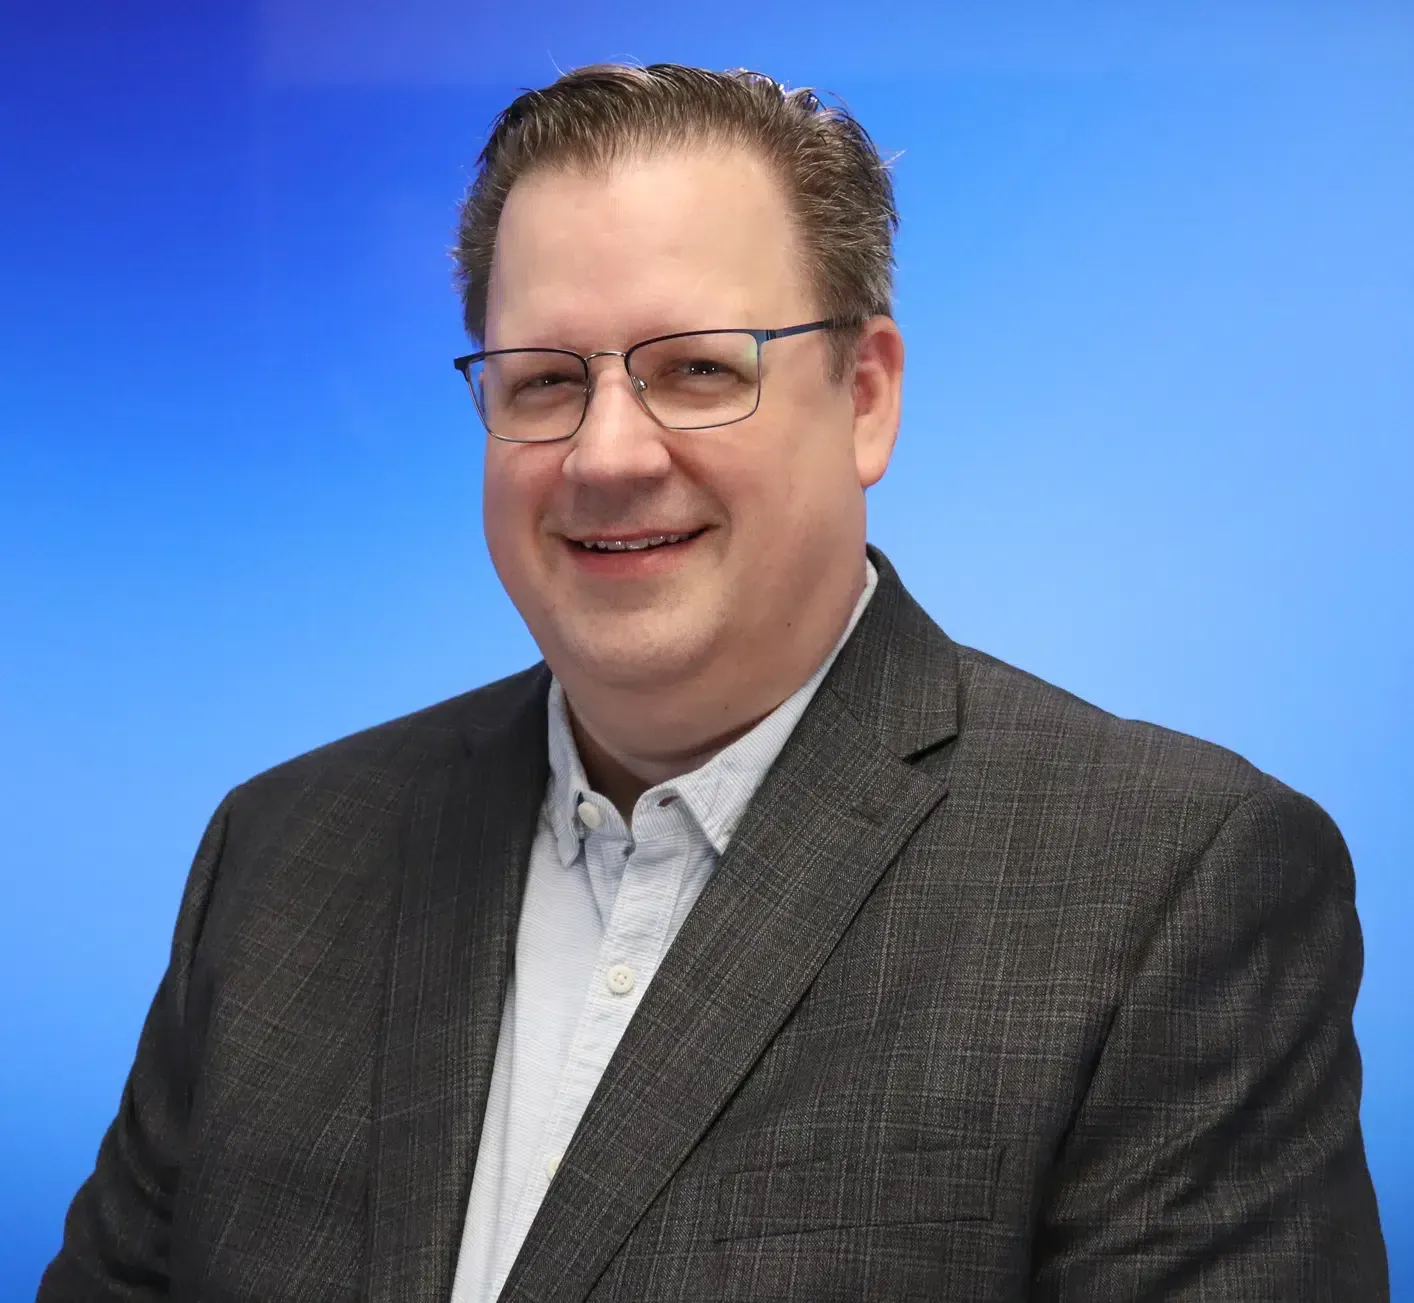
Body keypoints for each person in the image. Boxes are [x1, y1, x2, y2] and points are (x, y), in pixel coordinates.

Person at [40, 62, 1387, 1302]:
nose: (607, 455)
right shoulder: (283, 854)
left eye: (694, 369)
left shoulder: (1167, 887)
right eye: (543, 381)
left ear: (865, 396)